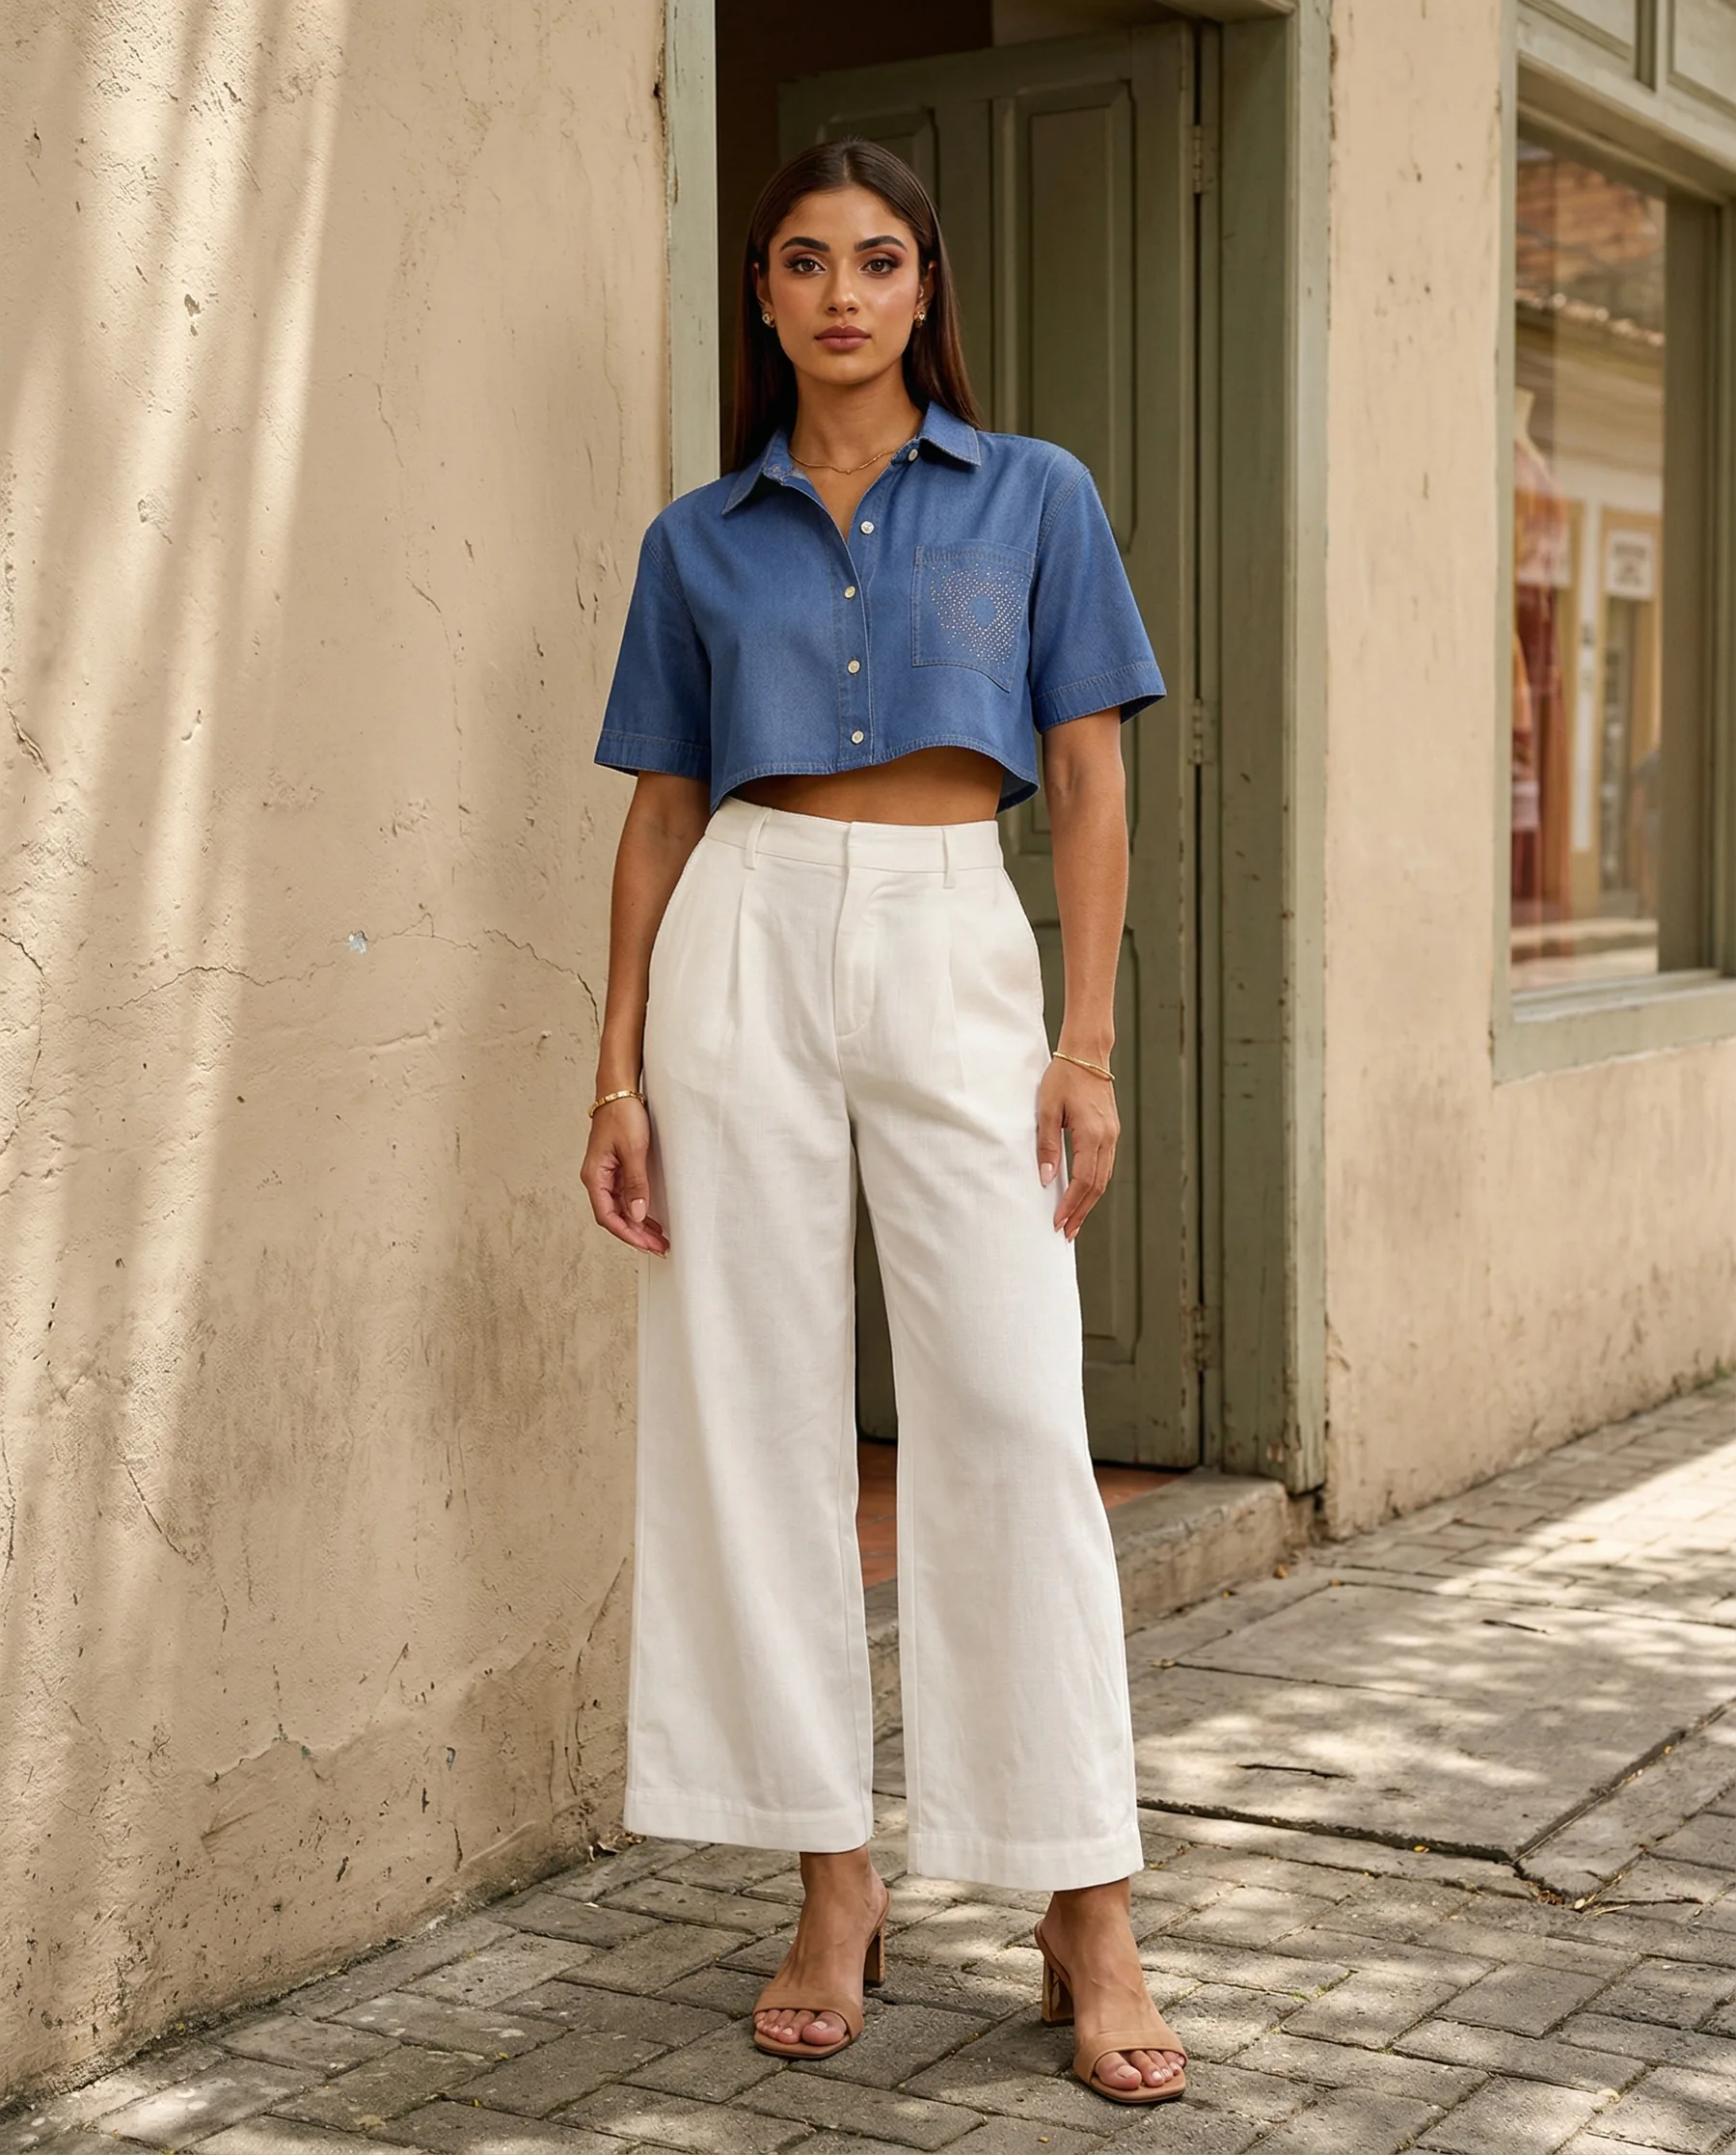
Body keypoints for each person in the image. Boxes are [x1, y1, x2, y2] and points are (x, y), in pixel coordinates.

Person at [583, 138, 1186, 2107]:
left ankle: (1081, 1897)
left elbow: (1085, 783)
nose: (842, 292)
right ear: (761, 297)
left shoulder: (1037, 498)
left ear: (929, 289)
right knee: (746, 1408)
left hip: (952, 933)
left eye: (880, 259)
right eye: (802, 261)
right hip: (743, 932)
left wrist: (1085, 1041)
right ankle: (830, 1874)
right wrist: (612, 1068)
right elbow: (662, 811)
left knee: (1009, 1410)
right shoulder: (699, 540)